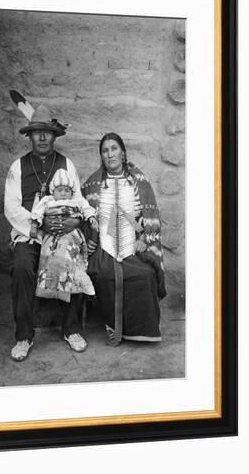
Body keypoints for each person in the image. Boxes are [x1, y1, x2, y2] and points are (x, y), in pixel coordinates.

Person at [4, 102, 89, 361]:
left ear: (54, 135)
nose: (42, 137)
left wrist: (72, 223)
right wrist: (38, 225)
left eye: (47, 132)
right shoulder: (17, 167)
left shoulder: (67, 165)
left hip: (62, 231)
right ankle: (24, 336)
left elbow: (78, 200)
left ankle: (71, 329)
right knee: (21, 266)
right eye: (36, 132)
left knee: (74, 261)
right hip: (30, 233)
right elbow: (10, 206)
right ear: (29, 136)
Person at [81, 132, 167, 346]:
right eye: (105, 150)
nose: (110, 154)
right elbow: (82, 215)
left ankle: (141, 328)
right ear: (101, 156)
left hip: (133, 243)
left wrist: (144, 239)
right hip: (104, 244)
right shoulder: (92, 184)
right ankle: (113, 324)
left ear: (123, 152)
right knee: (104, 274)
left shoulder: (140, 181)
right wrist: (90, 237)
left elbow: (150, 217)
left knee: (145, 274)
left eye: (114, 148)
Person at [30, 168, 97, 304]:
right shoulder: (48, 200)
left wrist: (91, 218)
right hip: (52, 235)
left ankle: (78, 282)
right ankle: (49, 287)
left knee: (68, 257)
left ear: (71, 192)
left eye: (67, 190)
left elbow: (86, 208)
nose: (63, 194)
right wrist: (34, 225)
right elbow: (37, 211)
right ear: (53, 191)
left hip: (71, 234)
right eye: (59, 190)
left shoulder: (76, 200)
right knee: (50, 258)